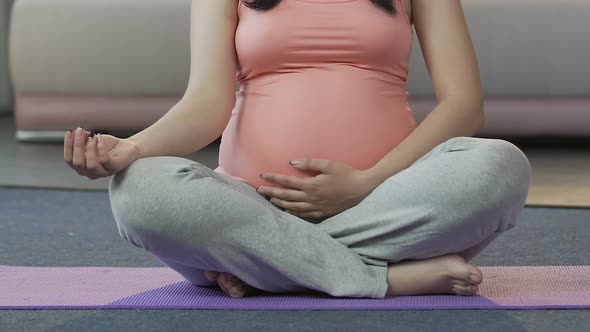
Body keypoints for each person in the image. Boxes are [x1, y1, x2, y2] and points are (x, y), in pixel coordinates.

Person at [63, 0, 531, 299]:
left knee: (500, 166)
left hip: (383, 201)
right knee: (140, 190)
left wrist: (366, 183)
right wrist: (131, 149)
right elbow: (205, 106)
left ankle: (261, 265)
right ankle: (383, 278)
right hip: (249, 204)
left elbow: (465, 105)